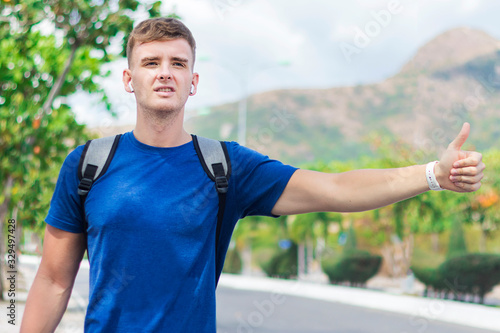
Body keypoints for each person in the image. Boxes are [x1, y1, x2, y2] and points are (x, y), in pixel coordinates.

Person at [20, 17, 485, 332]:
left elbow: (334, 187)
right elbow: (53, 280)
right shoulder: (88, 165)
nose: (165, 74)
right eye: (151, 62)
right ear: (129, 78)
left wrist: (430, 174)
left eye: (178, 63)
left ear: (193, 81)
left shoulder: (225, 166)